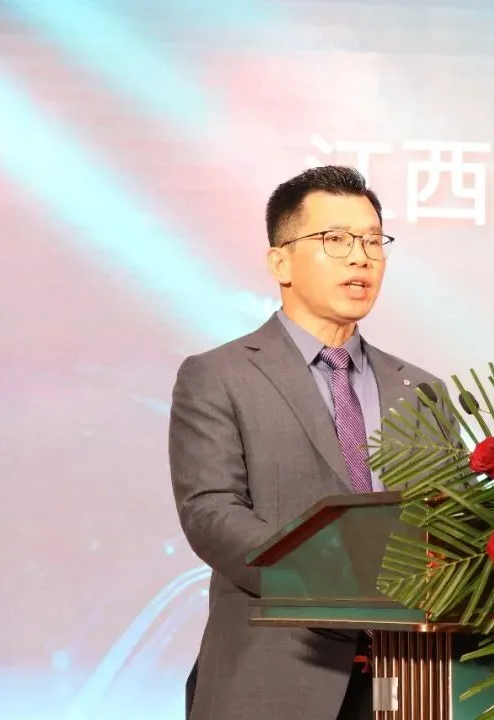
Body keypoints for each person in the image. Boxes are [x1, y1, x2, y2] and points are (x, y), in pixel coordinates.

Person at [169, 166, 448, 719]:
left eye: (373, 241)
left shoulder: (421, 390)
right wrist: (336, 581)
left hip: (409, 682)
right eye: (336, 239)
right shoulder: (219, 376)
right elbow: (211, 513)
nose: (360, 258)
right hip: (274, 678)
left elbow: (448, 524)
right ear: (280, 262)